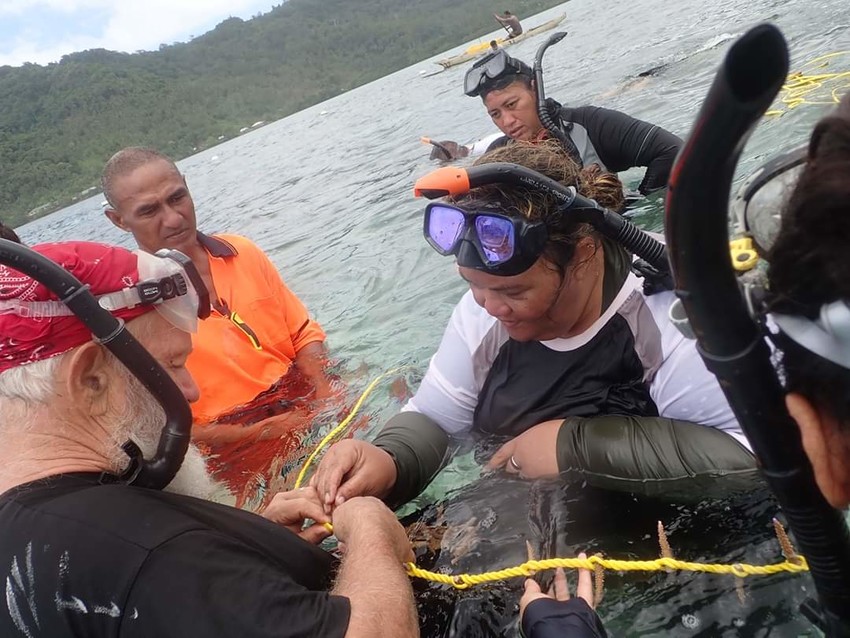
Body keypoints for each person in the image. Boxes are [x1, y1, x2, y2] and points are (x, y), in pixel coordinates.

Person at [311, 141, 758, 513]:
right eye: (474, 287)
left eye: (514, 293)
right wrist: (389, 460)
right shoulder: (480, 312)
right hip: (514, 509)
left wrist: (575, 446)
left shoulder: (672, 317)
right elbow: (437, 421)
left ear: (584, 253)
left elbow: (756, 456)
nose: (489, 308)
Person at [0, 240, 419, 637]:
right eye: (174, 363)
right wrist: (371, 529)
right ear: (91, 380)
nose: (191, 390)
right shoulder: (154, 554)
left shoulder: (33, 526)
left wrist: (252, 544)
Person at [102, 147, 335, 502]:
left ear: (188, 188)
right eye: (149, 210)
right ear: (118, 220)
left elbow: (304, 333)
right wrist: (259, 433)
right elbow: (163, 432)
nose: (174, 219)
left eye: (177, 198)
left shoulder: (240, 251)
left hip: (302, 395)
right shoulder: (132, 313)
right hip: (237, 445)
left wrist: (324, 392)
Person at [433, 51, 682, 197]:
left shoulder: (589, 124)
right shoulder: (499, 156)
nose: (507, 122)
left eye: (512, 105)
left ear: (534, 89)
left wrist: (637, 204)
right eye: (495, 114)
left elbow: (673, 151)